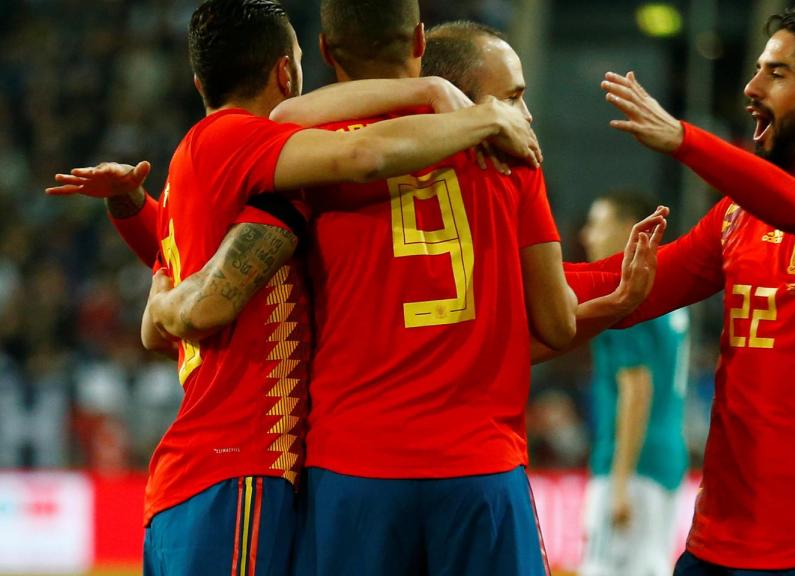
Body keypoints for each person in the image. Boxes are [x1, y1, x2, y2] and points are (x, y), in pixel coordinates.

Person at [46, 0, 542, 573]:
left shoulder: (192, 161)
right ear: (287, 71)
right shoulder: (248, 145)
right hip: (243, 469)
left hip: (191, 480)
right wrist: (478, 114)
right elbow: (361, 154)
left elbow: (163, 317)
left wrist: (134, 214)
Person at [269, 13, 662, 575]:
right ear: (419, 41)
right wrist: (615, 305)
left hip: (354, 466)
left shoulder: (309, 156)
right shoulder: (511, 157)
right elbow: (555, 324)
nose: (520, 114)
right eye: (512, 98)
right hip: (477, 466)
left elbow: (280, 117)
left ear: (327, 50)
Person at [573, 5, 795, 575]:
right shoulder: (738, 216)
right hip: (718, 546)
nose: (751, 87)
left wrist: (687, 140)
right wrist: (499, 271)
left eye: (777, 73)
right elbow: (626, 284)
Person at [577, 192, 689, 576]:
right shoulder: (665, 286)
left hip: (630, 465)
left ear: (629, 229)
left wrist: (620, 480)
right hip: (665, 461)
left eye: (598, 223)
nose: (586, 235)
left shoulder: (623, 294)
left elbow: (637, 388)